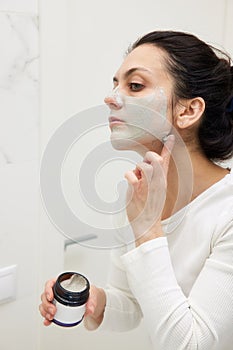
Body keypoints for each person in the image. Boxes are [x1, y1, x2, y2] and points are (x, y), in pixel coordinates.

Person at [39, 30, 233, 350]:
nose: (111, 96)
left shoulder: (225, 211)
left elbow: (189, 344)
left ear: (188, 111)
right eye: (115, 83)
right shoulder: (138, 194)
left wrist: (147, 229)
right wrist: (95, 301)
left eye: (135, 85)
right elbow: (132, 304)